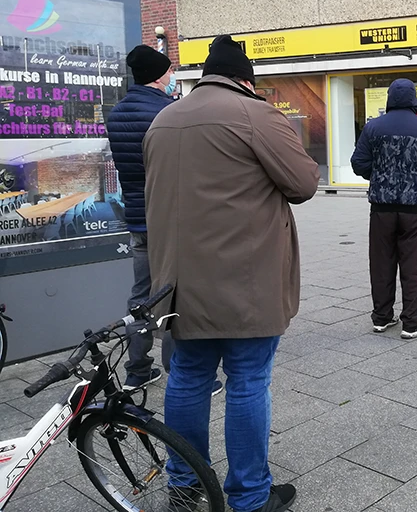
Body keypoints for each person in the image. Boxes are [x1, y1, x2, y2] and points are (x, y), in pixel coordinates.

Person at [144, 35, 320, 512]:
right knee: (246, 379)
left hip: (178, 284)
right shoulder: (255, 114)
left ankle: (183, 484)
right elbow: (303, 183)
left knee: (186, 376)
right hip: (245, 280)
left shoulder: (164, 118)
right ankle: (249, 496)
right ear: (246, 80)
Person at [107, 44, 206, 391]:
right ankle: (180, 371)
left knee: (141, 297)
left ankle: (137, 370)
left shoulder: (116, 114)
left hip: (138, 220)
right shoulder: (171, 112)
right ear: (159, 75)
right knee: (178, 296)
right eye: (169, 71)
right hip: (171, 221)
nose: (172, 77)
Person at [351, 79, 417, 339]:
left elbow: (358, 164)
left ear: (389, 99)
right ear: (414, 100)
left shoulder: (373, 127)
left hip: (381, 208)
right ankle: (412, 323)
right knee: (413, 264)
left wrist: (380, 174)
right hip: (413, 208)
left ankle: (382, 318)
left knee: (381, 262)